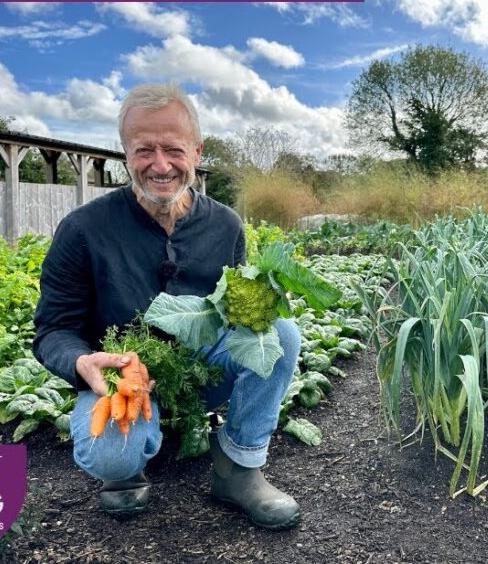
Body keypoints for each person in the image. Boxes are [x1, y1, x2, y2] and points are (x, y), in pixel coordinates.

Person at [32, 82, 302, 530]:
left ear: (197, 153)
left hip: (199, 373)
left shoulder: (226, 225)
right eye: (144, 150)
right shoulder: (83, 230)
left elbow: (237, 320)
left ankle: (239, 468)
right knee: (111, 457)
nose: (160, 165)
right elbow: (52, 329)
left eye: (174, 150)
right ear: (125, 154)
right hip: (122, 382)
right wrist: (81, 362)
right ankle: (131, 459)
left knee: (280, 332)